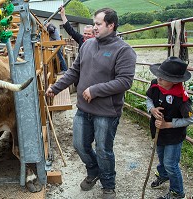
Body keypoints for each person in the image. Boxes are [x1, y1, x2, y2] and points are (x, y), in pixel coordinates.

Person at [46, 8, 136, 199]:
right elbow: (74, 71)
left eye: (98, 24)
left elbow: (125, 81)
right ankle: (94, 171)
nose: (94, 27)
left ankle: (108, 185)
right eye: (94, 23)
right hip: (84, 109)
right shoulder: (87, 45)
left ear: (111, 25)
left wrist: (95, 90)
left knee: (104, 150)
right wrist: (56, 87)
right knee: (79, 145)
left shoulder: (123, 50)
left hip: (106, 111)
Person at [146, 56, 193, 199]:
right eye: (158, 75)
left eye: (163, 77)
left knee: (170, 163)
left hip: (174, 137)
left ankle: (177, 192)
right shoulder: (156, 84)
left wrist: (168, 124)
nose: (158, 79)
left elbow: (190, 119)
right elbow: (148, 98)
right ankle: (164, 175)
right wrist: (152, 109)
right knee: (161, 157)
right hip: (158, 132)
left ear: (174, 81)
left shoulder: (182, 99)